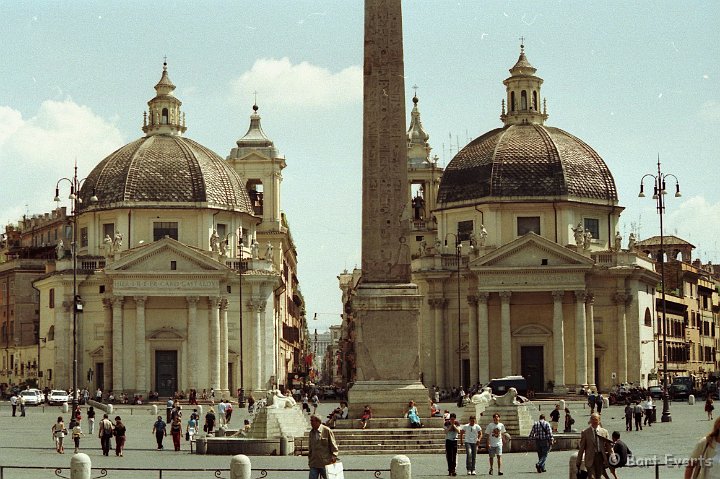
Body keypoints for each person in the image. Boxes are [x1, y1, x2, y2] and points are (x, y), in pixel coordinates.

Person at [576, 413, 612, 479]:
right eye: (592, 419)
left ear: (599, 421)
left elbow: (609, 446)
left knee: (598, 477)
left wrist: (613, 457)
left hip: (601, 458)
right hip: (589, 458)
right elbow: (581, 448)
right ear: (590, 421)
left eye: (596, 419)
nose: (594, 421)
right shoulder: (585, 432)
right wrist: (578, 461)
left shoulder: (604, 432)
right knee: (592, 477)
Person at [308, 414, 339, 479]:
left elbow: (333, 445)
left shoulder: (327, 431)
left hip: (325, 463)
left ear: (318, 422)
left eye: (312, 421)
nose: (310, 422)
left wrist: (334, 456)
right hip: (314, 462)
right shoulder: (311, 432)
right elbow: (310, 447)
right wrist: (310, 459)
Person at [444, 412, 460, 476]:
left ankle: (453, 469)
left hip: (454, 440)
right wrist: (451, 426)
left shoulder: (457, 423)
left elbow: (458, 431)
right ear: (449, 419)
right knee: (449, 456)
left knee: (454, 455)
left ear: (455, 419)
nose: (452, 420)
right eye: (451, 419)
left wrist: (454, 425)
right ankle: (450, 470)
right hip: (448, 440)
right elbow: (446, 431)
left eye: (453, 419)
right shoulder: (446, 423)